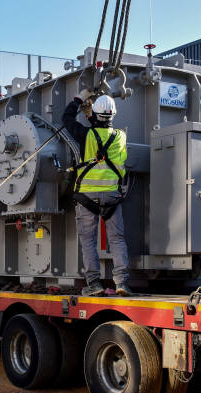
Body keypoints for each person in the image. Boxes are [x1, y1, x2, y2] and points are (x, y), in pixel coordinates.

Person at [62, 90, 132, 297]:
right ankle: (122, 283)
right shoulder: (121, 136)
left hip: (87, 197)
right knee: (117, 239)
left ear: (96, 113)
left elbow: (66, 119)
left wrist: (78, 99)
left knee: (88, 241)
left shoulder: (86, 135)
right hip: (112, 196)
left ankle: (94, 284)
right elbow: (104, 132)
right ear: (113, 114)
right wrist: (90, 114)